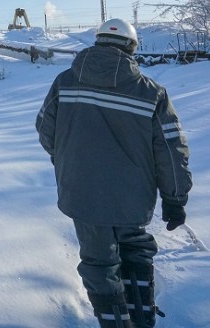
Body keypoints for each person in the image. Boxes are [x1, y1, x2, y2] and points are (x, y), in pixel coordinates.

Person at [35, 19, 192, 327]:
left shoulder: (65, 82)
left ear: (97, 42)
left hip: (82, 195)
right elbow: (171, 150)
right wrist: (175, 198)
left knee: (99, 264)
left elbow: (45, 129)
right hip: (132, 197)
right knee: (135, 251)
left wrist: (69, 161)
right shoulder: (152, 93)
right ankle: (141, 318)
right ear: (132, 48)